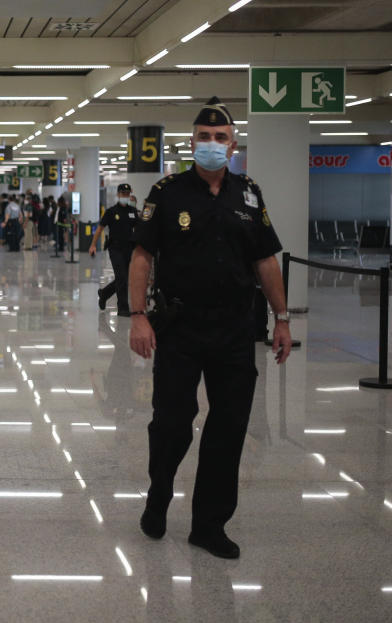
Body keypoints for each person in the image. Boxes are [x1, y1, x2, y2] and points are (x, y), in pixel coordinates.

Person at [128, 97, 292, 560]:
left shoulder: (249, 193)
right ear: (192, 141)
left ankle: (208, 524)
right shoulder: (167, 192)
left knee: (229, 427)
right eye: (204, 136)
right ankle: (159, 494)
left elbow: (265, 260)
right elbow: (142, 257)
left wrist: (282, 319)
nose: (212, 144)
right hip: (180, 329)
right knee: (173, 425)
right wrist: (138, 315)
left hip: (237, 330)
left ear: (233, 144)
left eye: (221, 138)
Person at [90, 184, 139, 316]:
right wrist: (93, 245)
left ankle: (104, 293)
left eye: (128, 194)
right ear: (118, 195)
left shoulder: (133, 212)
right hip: (115, 248)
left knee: (123, 278)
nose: (125, 196)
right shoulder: (111, 212)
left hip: (129, 248)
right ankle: (123, 308)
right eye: (123, 193)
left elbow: (140, 229)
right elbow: (100, 229)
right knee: (122, 276)